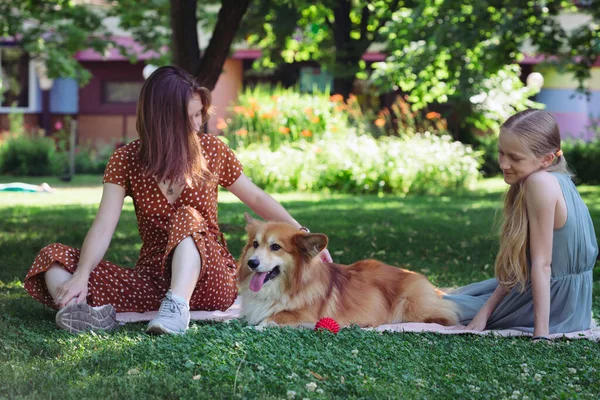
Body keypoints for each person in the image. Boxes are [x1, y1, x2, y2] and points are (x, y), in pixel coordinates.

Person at [24, 66, 332, 335]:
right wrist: (80, 277)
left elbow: (255, 196)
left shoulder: (212, 150)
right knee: (54, 257)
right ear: (162, 120)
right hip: (154, 278)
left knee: (186, 214)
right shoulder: (127, 159)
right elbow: (104, 226)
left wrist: (300, 233)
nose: (198, 124)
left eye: (200, 114)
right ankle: (77, 312)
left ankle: (176, 308)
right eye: (191, 116)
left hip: (210, 279)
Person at [445, 109, 598, 338]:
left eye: (515, 158)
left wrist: (541, 334)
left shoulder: (539, 183)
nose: (504, 164)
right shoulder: (559, 179)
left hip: (553, 305)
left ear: (546, 158)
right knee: (458, 299)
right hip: (573, 306)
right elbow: (522, 266)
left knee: (436, 309)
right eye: (500, 153)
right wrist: (486, 311)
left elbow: (542, 265)